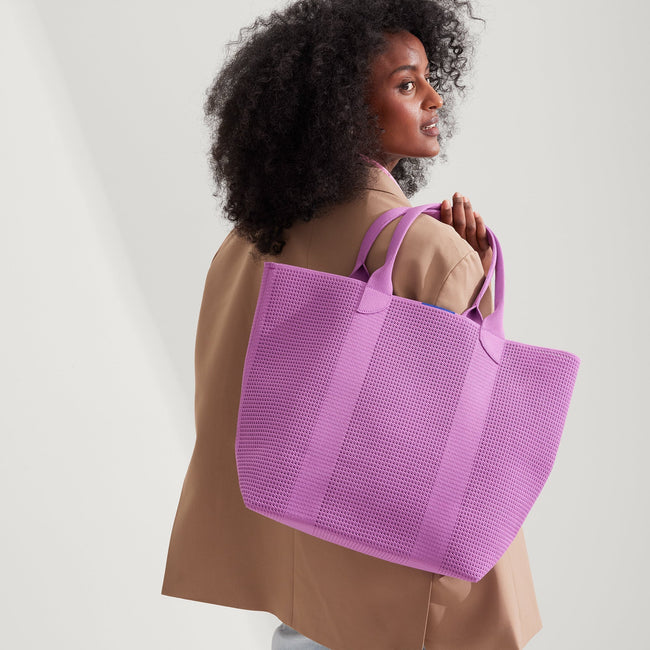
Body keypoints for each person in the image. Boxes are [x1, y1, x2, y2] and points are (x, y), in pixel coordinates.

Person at [161, 1, 543, 648]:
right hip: (400, 612)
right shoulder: (428, 252)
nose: (434, 100)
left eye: (428, 79)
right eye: (405, 84)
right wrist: (467, 273)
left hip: (300, 600)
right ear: (345, 108)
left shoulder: (246, 241)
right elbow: (456, 439)